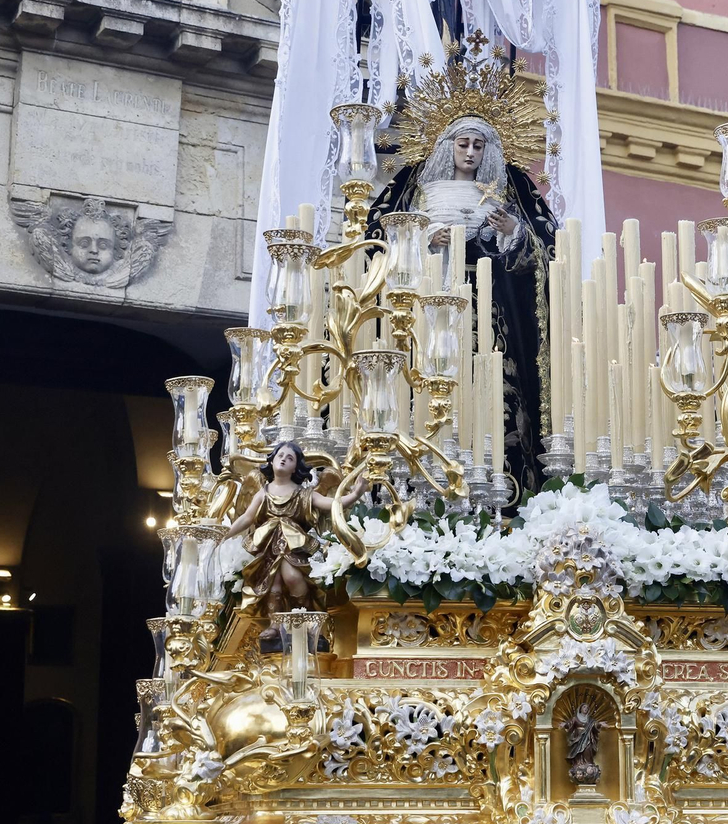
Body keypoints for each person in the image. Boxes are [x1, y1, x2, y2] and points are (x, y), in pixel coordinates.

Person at [367, 114, 557, 504]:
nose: (470, 153)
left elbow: (544, 246)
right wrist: (421, 238)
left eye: (478, 146)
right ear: (447, 146)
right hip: (427, 302)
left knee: (494, 385)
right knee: (423, 379)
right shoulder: (416, 187)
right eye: (463, 144)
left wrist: (511, 233)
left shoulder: (507, 189)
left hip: (487, 307)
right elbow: (378, 239)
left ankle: (498, 481)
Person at [226, 441, 365, 646]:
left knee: (292, 577)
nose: (283, 459)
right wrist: (225, 534)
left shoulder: (304, 493)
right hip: (268, 545)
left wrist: (355, 494)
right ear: (272, 460)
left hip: (295, 545)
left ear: (296, 467)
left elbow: (332, 504)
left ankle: (305, 619)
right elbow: (247, 518)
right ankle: (275, 624)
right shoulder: (263, 492)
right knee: (273, 582)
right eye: (280, 455)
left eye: (289, 458)